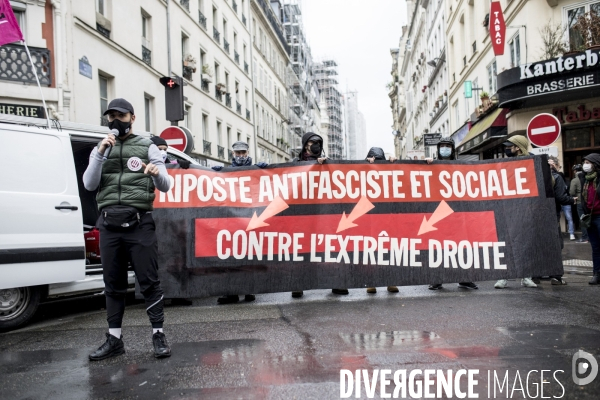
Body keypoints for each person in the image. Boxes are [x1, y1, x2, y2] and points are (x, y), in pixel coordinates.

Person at [83, 98, 172, 360]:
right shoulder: (100, 148)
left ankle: (158, 334)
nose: (115, 121)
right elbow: (89, 184)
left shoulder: (147, 146)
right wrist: (100, 153)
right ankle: (114, 340)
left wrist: (156, 173)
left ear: (132, 118)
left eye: (120, 116)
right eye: (111, 116)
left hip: (139, 224)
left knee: (149, 281)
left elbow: (166, 185)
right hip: (109, 225)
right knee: (112, 283)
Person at [212, 141, 267, 304]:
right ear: (233, 154)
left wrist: (266, 170)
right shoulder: (226, 171)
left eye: (243, 153)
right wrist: (211, 173)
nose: (241, 156)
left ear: (248, 153)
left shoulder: (255, 170)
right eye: (238, 153)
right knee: (231, 255)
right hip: (232, 219)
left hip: (250, 218)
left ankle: (249, 290)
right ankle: (232, 292)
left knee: (248, 255)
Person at [425, 138, 478, 290]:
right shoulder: (431, 165)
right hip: (439, 212)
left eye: (448, 146)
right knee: (439, 246)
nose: (445, 149)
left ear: (453, 149)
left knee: (462, 246)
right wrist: (426, 165)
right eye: (443, 146)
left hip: (458, 212)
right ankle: (437, 278)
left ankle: (465, 278)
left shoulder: (461, 166)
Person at [495, 135, 539, 289]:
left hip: (526, 210)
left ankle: (526, 276)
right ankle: (503, 277)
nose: (507, 149)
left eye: (510, 146)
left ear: (518, 148)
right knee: (506, 244)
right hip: (507, 209)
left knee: (525, 244)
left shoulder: (533, 162)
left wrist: (546, 168)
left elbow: (547, 181)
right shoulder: (504, 164)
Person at [292, 133, 329, 298]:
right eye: (313, 142)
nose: (315, 145)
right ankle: (298, 284)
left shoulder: (327, 163)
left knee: (328, 247)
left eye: (318, 143)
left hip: (323, 214)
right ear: (305, 144)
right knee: (302, 249)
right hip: (302, 215)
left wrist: (324, 165)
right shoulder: (295, 163)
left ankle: (336, 282)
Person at [365, 147, 399, 294]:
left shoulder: (389, 172)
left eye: (379, 161)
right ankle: (372, 282)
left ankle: (390, 281)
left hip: (387, 216)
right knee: (372, 249)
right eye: (374, 160)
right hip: (370, 217)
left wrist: (394, 164)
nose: (376, 164)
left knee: (388, 248)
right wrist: (365, 165)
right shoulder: (362, 170)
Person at [543, 156, 576, 285]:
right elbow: (561, 197)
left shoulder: (535, 177)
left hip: (536, 215)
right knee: (556, 245)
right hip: (551, 214)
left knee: (540, 244)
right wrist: (572, 200)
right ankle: (555, 276)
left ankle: (536, 274)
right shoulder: (556, 177)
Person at [578, 155, 600, 285]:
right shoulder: (583, 178)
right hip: (590, 217)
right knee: (595, 248)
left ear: (595, 164)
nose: (585, 165)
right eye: (584, 162)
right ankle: (596, 274)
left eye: (588, 162)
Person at [570, 164, 589, 243]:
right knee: (589, 219)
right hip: (588, 202)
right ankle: (591, 237)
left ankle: (585, 238)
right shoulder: (587, 178)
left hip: (580, 202)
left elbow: (572, 192)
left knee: (582, 220)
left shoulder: (575, 180)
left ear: (575, 171)